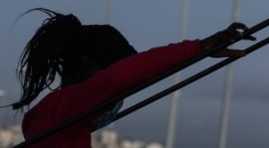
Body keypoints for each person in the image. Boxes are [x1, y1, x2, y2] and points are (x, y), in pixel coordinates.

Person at [11, 9, 249, 147]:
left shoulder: (61, 120)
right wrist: (198, 48)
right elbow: (118, 79)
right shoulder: (61, 111)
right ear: (87, 65)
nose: (117, 100)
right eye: (115, 95)